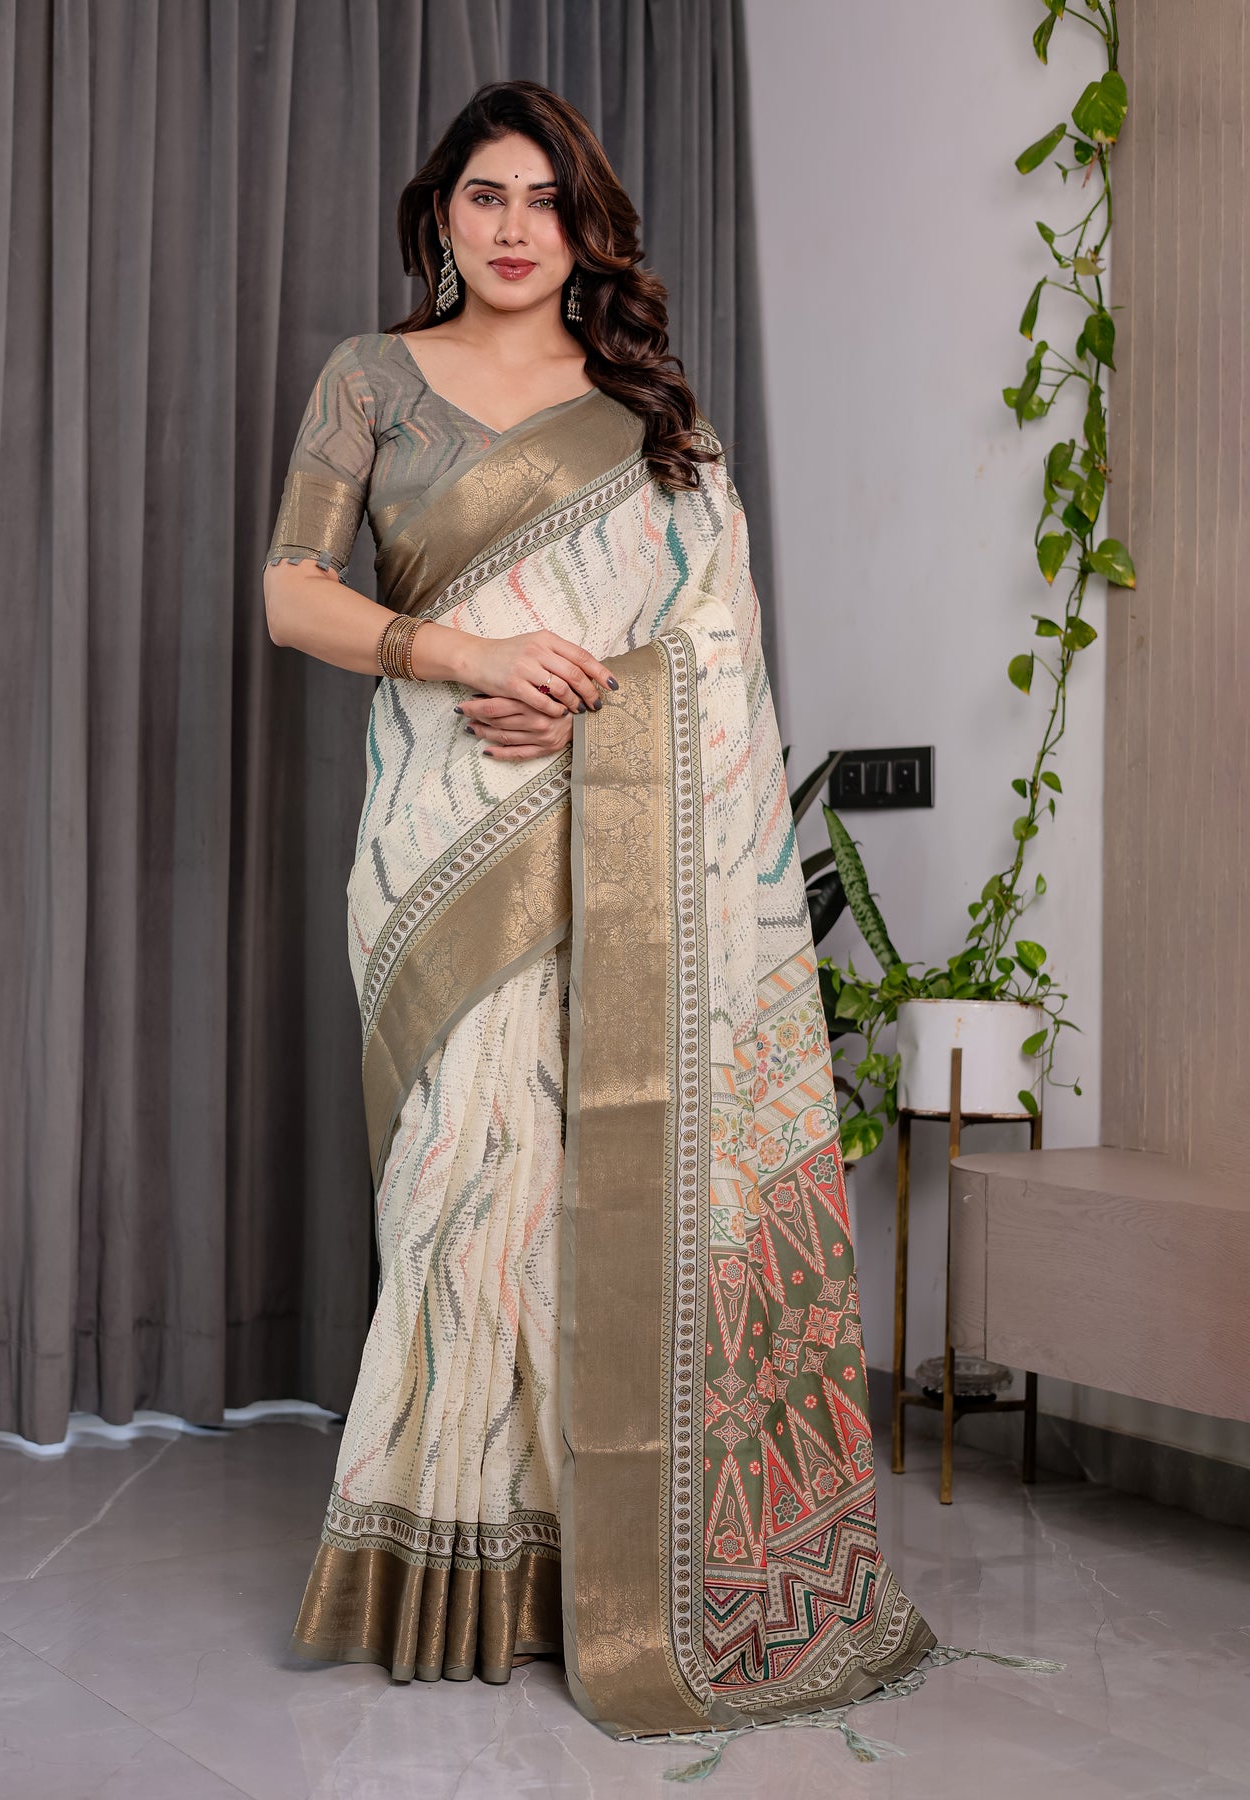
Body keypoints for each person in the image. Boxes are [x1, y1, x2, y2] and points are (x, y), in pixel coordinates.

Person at [263, 79, 933, 1741]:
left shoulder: (645, 410)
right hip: (441, 833)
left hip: (619, 836)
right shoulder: (370, 379)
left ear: (588, 226)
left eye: (545, 201)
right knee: (457, 1186)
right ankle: (444, 1560)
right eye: (485, 196)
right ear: (441, 213)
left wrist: (587, 712)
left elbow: (717, 647)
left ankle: (594, 1563)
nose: (514, 229)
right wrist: (465, 655)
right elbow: (291, 595)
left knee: (587, 1196)